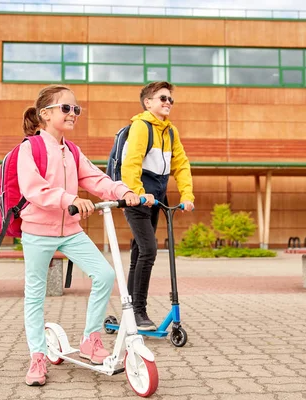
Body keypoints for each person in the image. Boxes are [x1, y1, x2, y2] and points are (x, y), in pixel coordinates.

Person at [18, 84, 140, 387]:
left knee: (104, 274)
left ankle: (90, 339)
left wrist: (123, 190)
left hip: (70, 230)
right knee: (36, 293)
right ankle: (37, 355)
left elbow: (95, 178)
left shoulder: (71, 151)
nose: (73, 113)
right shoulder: (29, 148)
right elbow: (34, 189)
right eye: (66, 108)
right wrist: (68, 199)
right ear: (45, 114)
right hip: (37, 231)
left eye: (76, 109)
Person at [120, 81, 195, 331]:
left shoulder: (170, 131)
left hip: (157, 199)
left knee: (140, 253)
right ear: (148, 102)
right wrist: (139, 193)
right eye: (162, 98)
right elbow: (131, 163)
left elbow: (181, 165)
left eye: (170, 100)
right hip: (137, 198)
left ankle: (129, 309)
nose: (167, 103)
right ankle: (139, 311)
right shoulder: (141, 127)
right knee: (149, 251)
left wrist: (187, 196)